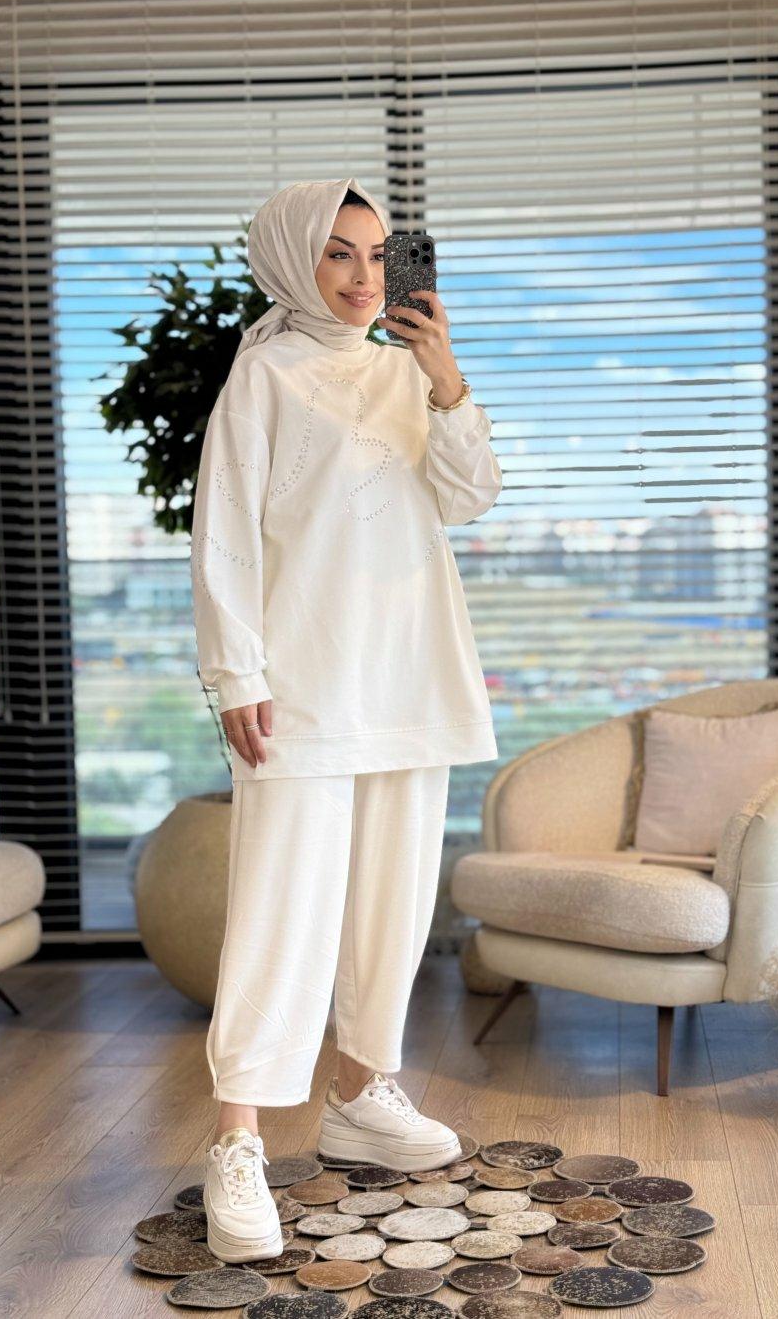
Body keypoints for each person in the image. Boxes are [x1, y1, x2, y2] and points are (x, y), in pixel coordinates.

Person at [189, 177, 502, 1263]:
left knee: (392, 903)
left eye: (377, 254)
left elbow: (468, 498)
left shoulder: (409, 373)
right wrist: (236, 673)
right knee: (281, 910)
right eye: (338, 254)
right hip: (306, 686)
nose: (365, 277)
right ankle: (237, 1138)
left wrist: (446, 379)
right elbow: (225, 533)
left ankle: (363, 1094)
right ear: (292, 260)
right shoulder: (264, 376)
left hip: (411, 675)